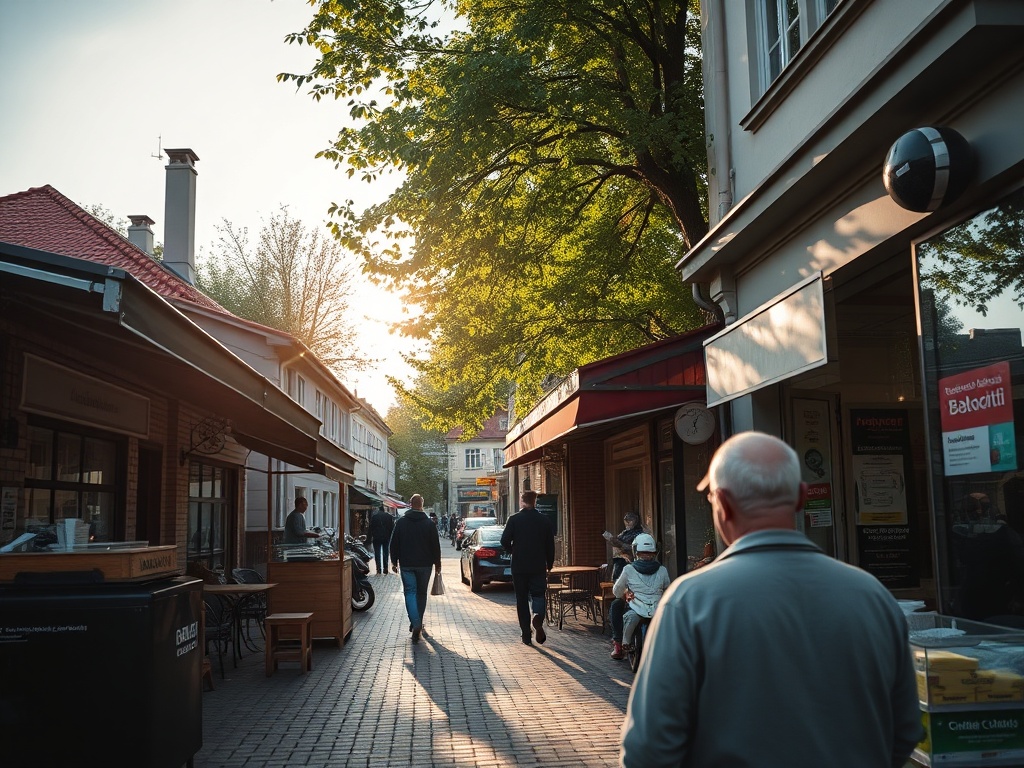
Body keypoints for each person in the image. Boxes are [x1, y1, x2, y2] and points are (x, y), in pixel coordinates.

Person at [620, 432, 923, 768]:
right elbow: (907, 728)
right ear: (801, 497)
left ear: (723, 503)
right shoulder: (873, 596)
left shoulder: (691, 603)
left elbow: (648, 750)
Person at [500, 489, 555, 645]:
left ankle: (525, 634)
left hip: (519, 566)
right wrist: (549, 563)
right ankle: (537, 615)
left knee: (521, 600)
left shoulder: (514, 519)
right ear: (535, 501)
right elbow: (550, 546)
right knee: (538, 595)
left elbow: (504, 541)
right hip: (538, 565)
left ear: (522, 501)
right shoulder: (544, 520)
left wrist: (513, 551)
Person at [609, 533, 670, 661]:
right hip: (657, 609)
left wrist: (624, 593)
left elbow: (616, 591)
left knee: (616, 604)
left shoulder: (628, 569)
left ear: (636, 551)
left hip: (636, 608)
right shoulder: (662, 570)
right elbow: (668, 589)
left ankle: (619, 644)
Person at [390, 494, 441, 643]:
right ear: (422, 505)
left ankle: (415, 622)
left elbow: (394, 543)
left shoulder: (401, 523)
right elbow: (435, 546)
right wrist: (437, 564)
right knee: (421, 594)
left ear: (410, 504)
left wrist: (394, 561)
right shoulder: (429, 524)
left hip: (407, 564)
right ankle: (418, 621)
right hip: (425, 564)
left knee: (410, 593)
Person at [604, 512, 645, 580]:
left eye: (630, 521)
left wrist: (621, 544)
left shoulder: (638, 533)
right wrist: (612, 539)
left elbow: (634, 548)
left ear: (636, 521)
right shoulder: (625, 532)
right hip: (619, 559)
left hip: (628, 561)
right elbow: (617, 539)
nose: (627, 523)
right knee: (616, 580)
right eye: (626, 521)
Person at [368, 506, 396, 575]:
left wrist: (369, 538)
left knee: (377, 553)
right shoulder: (389, 517)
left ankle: (379, 569)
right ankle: (385, 568)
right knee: (385, 552)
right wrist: (390, 537)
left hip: (376, 537)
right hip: (386, 537)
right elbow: (392, 528)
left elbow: (371, 528)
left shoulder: (374, 517)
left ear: (378, 510)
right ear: (384, 510)